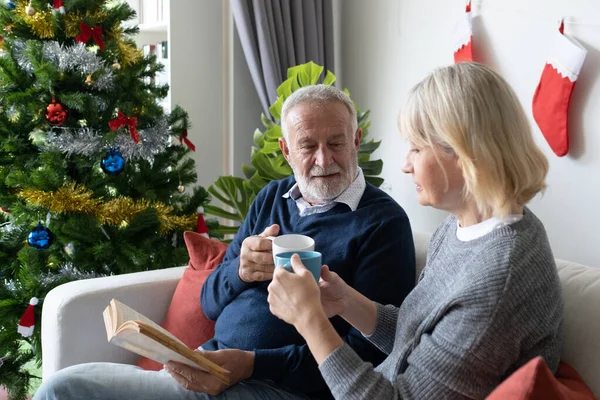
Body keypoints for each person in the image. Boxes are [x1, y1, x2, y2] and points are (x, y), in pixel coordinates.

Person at [34, 85, 416, 400]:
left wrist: (252, 363)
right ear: (285, 151)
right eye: (307, 146)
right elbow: (211, 302)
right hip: (212, 365)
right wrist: (239, 270)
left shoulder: (382, 223)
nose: (323, 159)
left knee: (63, 389)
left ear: (356, 141)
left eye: (336, 143)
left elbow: (371, 355)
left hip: (282, 388)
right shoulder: (272, 198)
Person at [267, 62, 563, 400]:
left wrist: (310, 321)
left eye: (416, 148)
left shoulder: (498, 280)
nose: (406, 164)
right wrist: (346, 301)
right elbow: (418, 338)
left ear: (465, 152)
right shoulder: (459, 227)